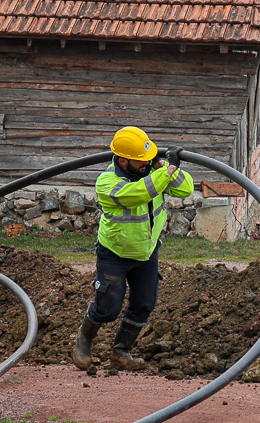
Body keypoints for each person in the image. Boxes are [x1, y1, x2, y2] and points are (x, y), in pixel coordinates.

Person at [72, 125, 195, 371]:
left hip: (146, 253)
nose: (146, 165)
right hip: (114, 254)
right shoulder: (107, 183)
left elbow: (185, 189)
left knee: (144, 304)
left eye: (148, 161)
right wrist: (164, 173)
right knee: (108, 309)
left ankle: (121, 352)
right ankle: (84, 340)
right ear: (123, 160)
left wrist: (170, 168)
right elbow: (140, 193)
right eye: (141, 162)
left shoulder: (152, 170)